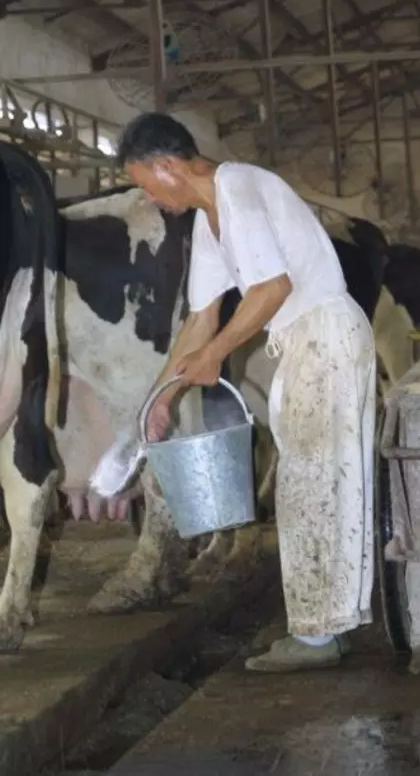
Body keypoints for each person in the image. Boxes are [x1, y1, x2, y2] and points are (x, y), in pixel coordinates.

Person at [116, 113, 377, 673]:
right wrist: (162, 395)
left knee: (314, 482)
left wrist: (213, 358)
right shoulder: (210, 222)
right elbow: (201, 318)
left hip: (324, 333)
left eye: (144, 182)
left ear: (167, 166)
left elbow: (272, 288)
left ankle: (316, 637)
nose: (148, 195)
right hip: (304, 341)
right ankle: (332, 623)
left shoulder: (237, 187)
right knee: (315, 480)